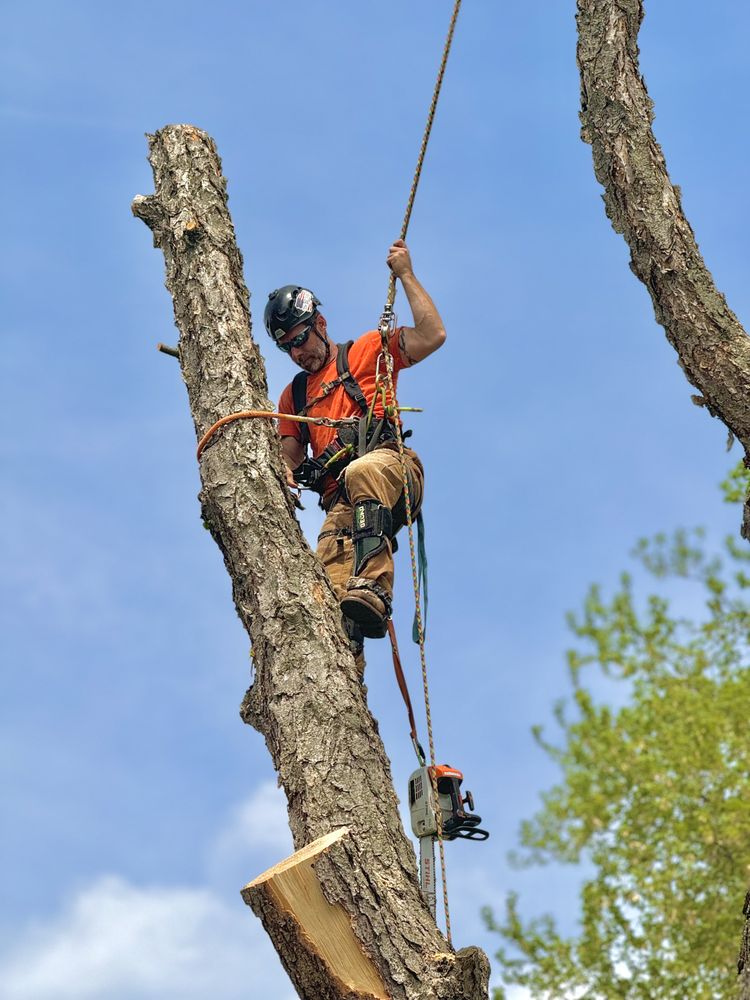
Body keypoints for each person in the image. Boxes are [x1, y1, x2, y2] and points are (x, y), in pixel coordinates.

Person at [265, 239, 446, 658]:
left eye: (301, 339)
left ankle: (375, 586)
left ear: (320, 323)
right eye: (287, 347)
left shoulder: (367, 352)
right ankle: (345, 668)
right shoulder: (294, 396)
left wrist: (406, 274)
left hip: (391, 469)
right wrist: (284, 471)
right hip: (342, 506)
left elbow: (432, 335)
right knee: (324, 603)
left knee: (361, 470)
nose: (297, 353)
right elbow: (289, 455)